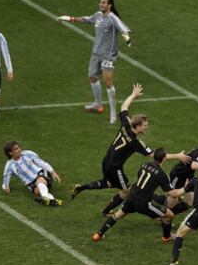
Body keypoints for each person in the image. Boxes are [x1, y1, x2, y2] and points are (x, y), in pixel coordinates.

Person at [70, 83, 190, 216]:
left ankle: (82, 188)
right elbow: (155, 155)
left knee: (109, 183)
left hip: (106, 160)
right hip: (115, 167)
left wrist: (133, 95)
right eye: (144, 125)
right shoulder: (135, 142)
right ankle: (105, 211)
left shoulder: (126, 124)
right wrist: (178, 156)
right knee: (126, 191)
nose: (147, 127)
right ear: (137, 126)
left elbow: (123, 107)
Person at [57, 0, 132, 123]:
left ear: (109, 5)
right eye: (100, 2)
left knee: (108, 83)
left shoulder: (113, 18)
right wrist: (69, 18)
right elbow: (86, 19)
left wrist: (127, 37)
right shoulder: (98, 15)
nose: (101, 4)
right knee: (92, 77)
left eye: (104, 2)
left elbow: (125, 29)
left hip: (108, 55)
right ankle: (98, 105)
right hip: (96, 53)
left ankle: (113, 113)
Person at [92, 147, 175, 243]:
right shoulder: (162, 174)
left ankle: (98, 234)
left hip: (132, 196)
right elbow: (171, 193)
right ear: (164, 158)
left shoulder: (144, 164)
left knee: (118, 215)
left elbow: (140, 177)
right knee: (169, 215)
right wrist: (184, 189)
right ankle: (166, 237)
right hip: (143, 203)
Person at [2, 141, 63, 206]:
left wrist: (53, 172)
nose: (19, 150)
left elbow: (42, 163)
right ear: (10, 153)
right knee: (37, 191)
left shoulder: (28, 154)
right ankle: (51, 200)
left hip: (41, 173)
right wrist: (6, 187)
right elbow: (5, 180)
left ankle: (46, 198)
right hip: (31, 183)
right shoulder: (9, 166)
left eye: (18, 147)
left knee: (40, 182)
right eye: (15, 149)